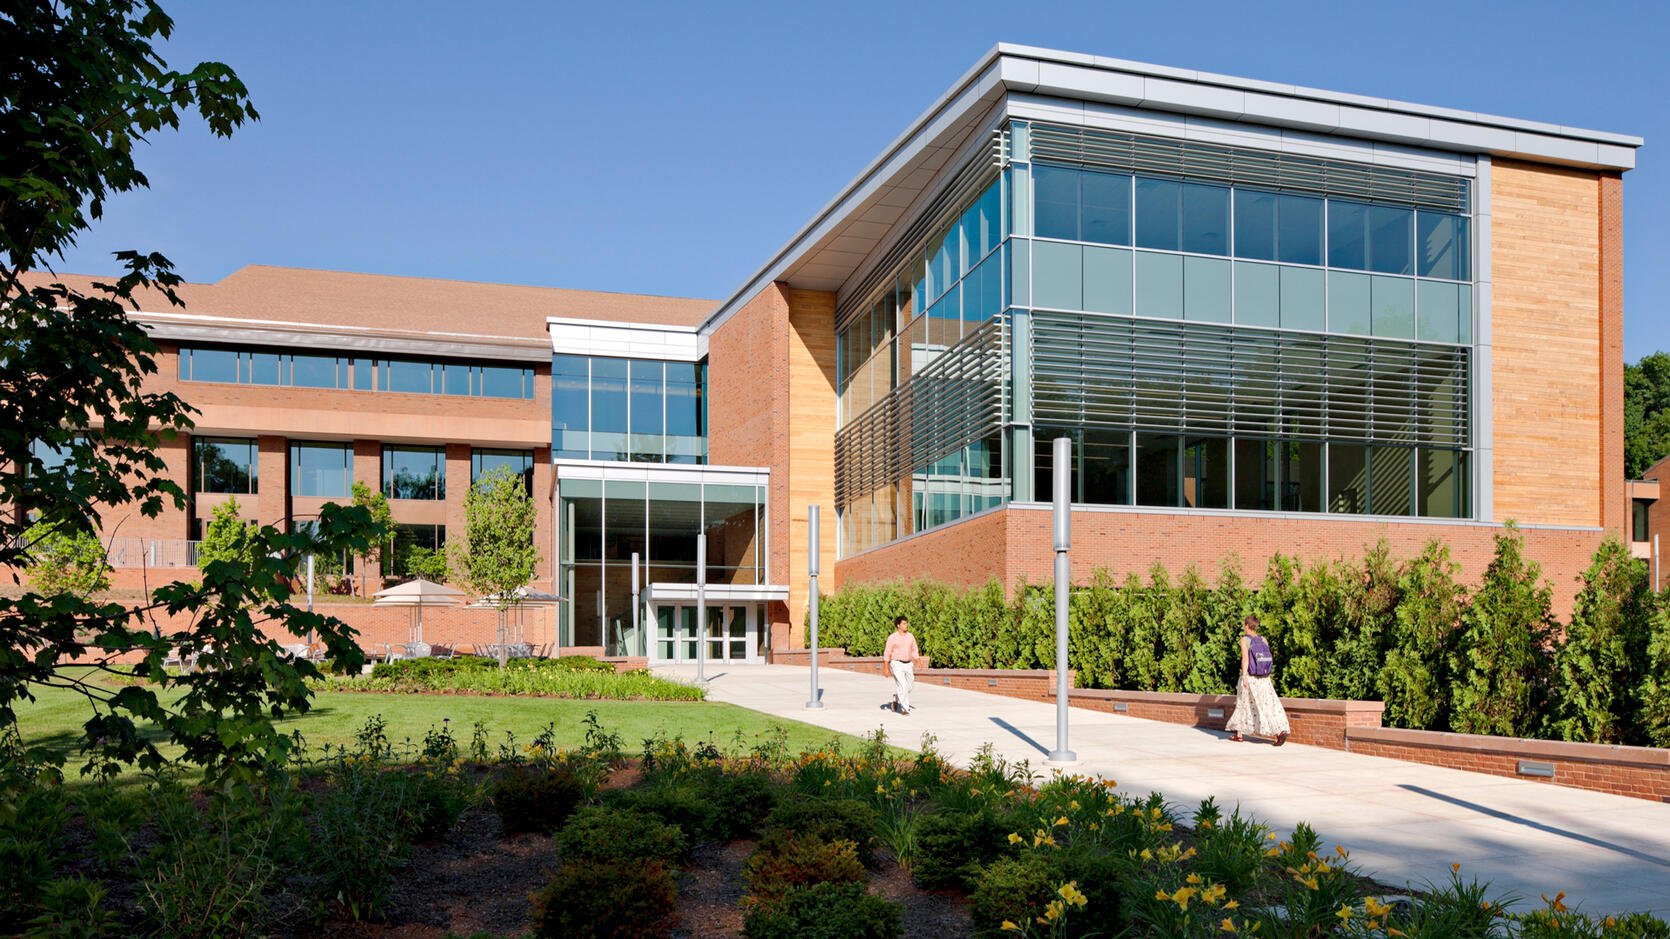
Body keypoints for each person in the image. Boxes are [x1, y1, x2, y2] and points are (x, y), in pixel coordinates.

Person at [1224, 613, 1289, 745]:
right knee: (1268, 705)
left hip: (1250, 677)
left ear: (1247, 626)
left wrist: (1244, 677)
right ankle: (1278, 732)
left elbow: (1245, 659)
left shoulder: (1244, 640)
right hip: (1264, 678)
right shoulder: (1263, 639)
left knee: (1243, 704)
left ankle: (1241, 735)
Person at [882, 615, 919, 714]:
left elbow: (914, 649)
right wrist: (886, 668)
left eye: (906, 623)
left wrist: (917, 659)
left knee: (909, 686)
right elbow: (887, 653)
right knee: (902, 685)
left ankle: (897, 697)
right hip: (896, 663)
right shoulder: (892, 638)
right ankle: (905, 709)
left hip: (908, 664)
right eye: (904, 623)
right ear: (898, 625)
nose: (906, 625)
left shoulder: (910, 636)